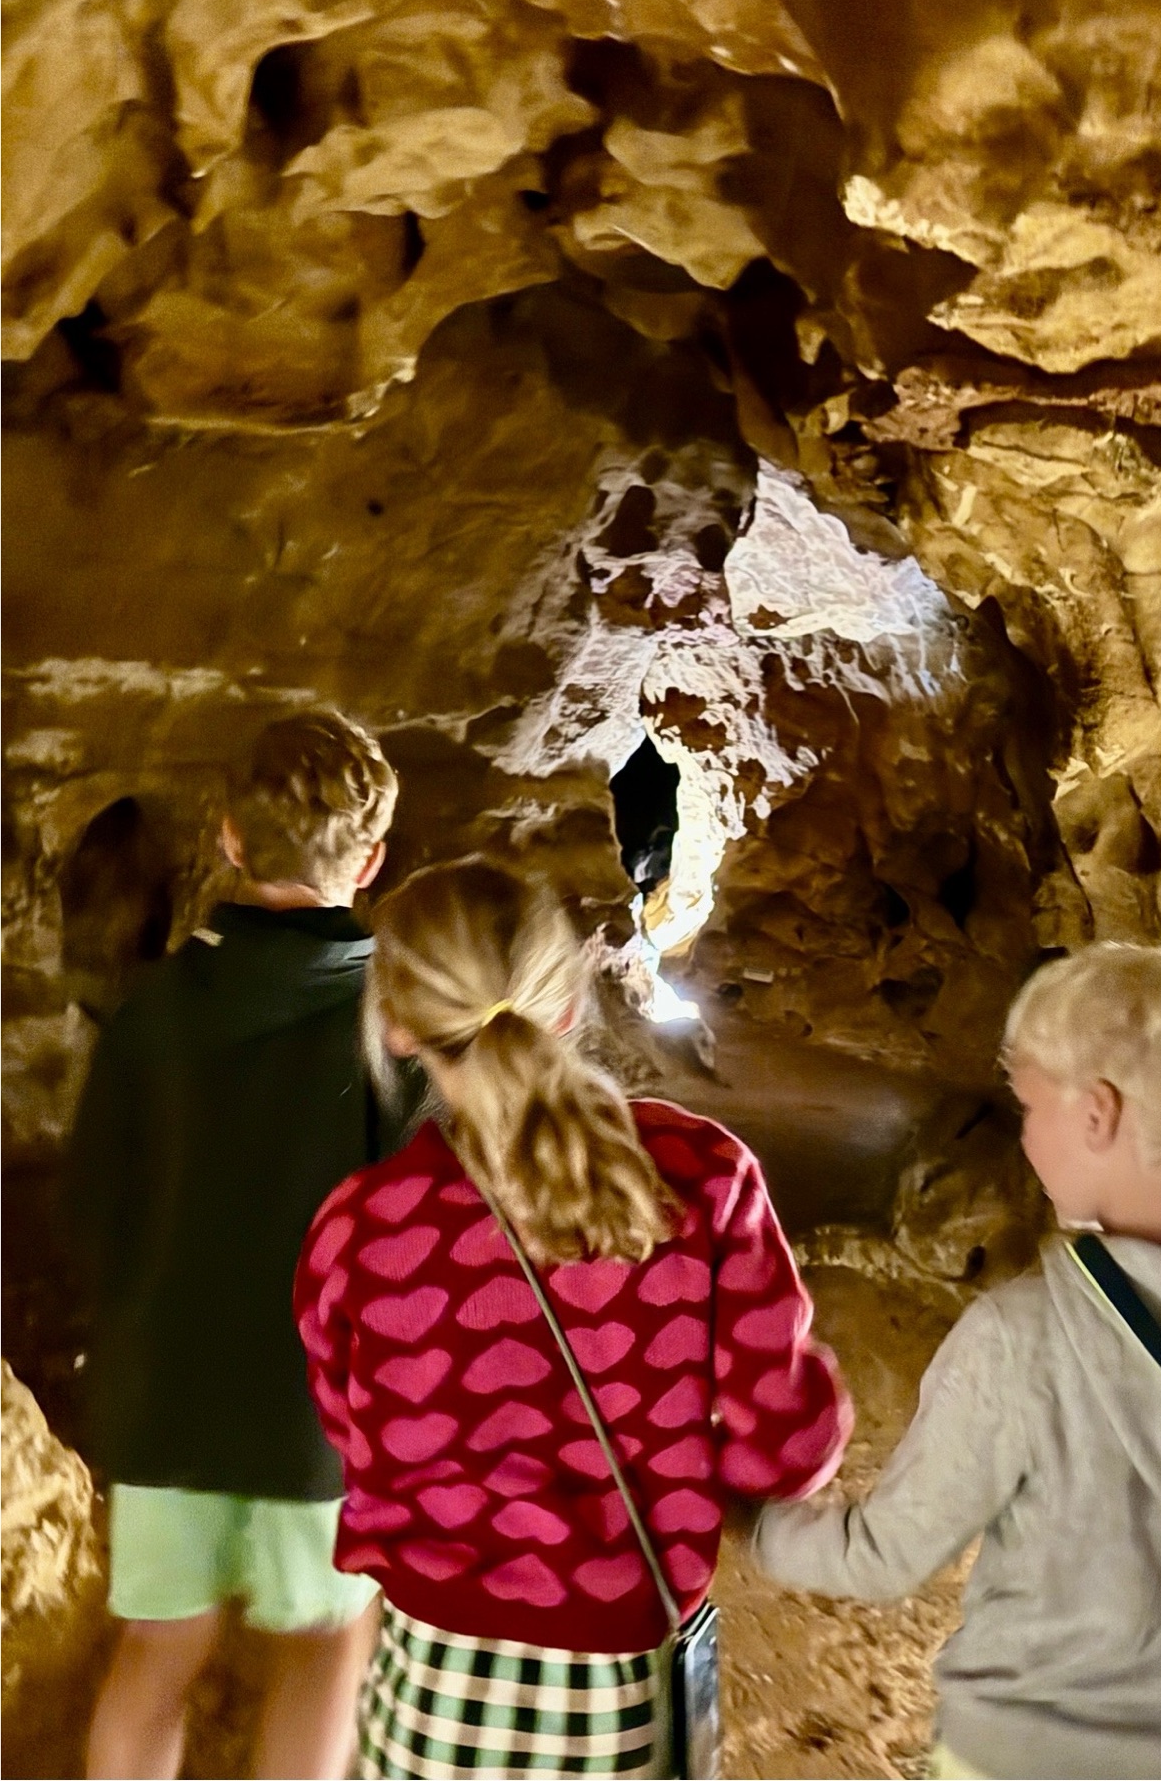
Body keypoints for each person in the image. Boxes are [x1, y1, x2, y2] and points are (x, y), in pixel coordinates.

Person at [294, 855, 851, 1777]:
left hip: (431, 1691)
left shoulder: (361, 1232)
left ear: (394, 1027)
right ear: (567, 1004)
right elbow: (780, 1447)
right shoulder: (701, 1175)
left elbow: (361, 1444)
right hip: (619, 1695)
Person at [753, 943, 1161, 1781]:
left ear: (1097, 1114)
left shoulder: (1025, 1338)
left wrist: (758, 1523)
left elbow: (883, 1555)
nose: (1021, 1132)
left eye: (1027, 1105)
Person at [68, 709, 409, 1780]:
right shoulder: (394, 1025)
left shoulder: (151, 1010)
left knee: (157, 1648)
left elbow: (89, 1211)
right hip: (315, 1416)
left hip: (163, 1397)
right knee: (326, 1641)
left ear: (227, 838)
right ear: (372, 859)